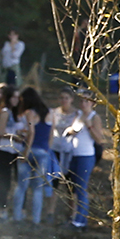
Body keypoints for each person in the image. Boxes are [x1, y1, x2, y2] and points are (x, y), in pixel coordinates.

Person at [63, 89, 104, 231]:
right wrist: (70, 131)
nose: (83, 104)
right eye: (81, 101)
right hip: (74, 155)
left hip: (86, 156)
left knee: (81, 189)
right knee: (73, 189)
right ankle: (74, 218)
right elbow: (73, 129)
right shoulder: (78, 114)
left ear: (92, 103)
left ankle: (81, 222)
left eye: (86, 101)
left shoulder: (94, 117)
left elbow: (99, 139)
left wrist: (89, 126)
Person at [12, 87, 53, 225]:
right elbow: (51, 135)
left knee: (21, 186)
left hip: (29, 151)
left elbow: (31, 132)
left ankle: (17, 217)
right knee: (37, 189)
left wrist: (25, 152)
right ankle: (36, 219)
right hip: (43, 152)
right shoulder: (49, 113)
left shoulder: (30, 113)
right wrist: (47, 150)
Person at [0, 85, 25, 221]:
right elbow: (1, 132)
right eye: (14, 96)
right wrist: (14, 137)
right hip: (4, 150)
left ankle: (7, 210)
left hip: (15, 151)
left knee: (15, 182)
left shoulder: (16, 114)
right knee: (4, 182)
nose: (16, 99)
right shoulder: (4, 112)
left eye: (17, 97)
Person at [44, 86, 78, 225]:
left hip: (71, 151)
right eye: (62, 98)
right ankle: (50, 212)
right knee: (54, 182)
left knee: (71, 184)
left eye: (67, 98)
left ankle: (72, 214)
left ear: (71, 99)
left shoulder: (77, 114)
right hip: (55, 149)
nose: (64, 100)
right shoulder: (53, 113)